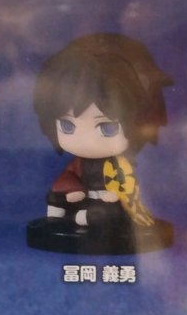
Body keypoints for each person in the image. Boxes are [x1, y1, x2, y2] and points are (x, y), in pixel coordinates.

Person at [28, 33, 173, 255]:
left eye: (107, 128)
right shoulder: (79, 163)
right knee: (58, 198)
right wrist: (71, 189)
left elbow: (130, 185)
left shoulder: (120, 163)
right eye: (67, 126)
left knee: (103, 213)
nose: (86, 140)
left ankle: (85, 217)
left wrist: (115, 193)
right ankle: (64, 217)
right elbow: (67, 177)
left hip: (111, 205)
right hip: (84, 199)